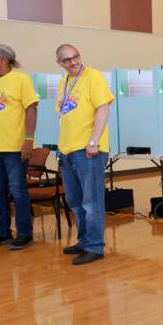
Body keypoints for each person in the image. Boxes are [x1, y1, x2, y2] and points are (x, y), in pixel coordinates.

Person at [54, 44, 114, 266]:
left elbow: (103, 108)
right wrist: (60, 148)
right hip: (67, 151)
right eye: (67, 60)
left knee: (91, 202)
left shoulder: (93, 77)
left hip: (88, 151)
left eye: (75, 57)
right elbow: (65, 116)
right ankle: (84, 241)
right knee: (75, 201)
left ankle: (94, 247)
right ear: (59, 63)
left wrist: (93, 142)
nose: (73, 62)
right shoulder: (64, 82)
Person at [0, 44, 39, 250]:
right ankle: (2, 232)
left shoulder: (21, 79)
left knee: (17, 190)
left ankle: (25, 234)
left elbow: (31, 109)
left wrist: (29, 140)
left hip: (14, 147)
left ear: (3, 58)